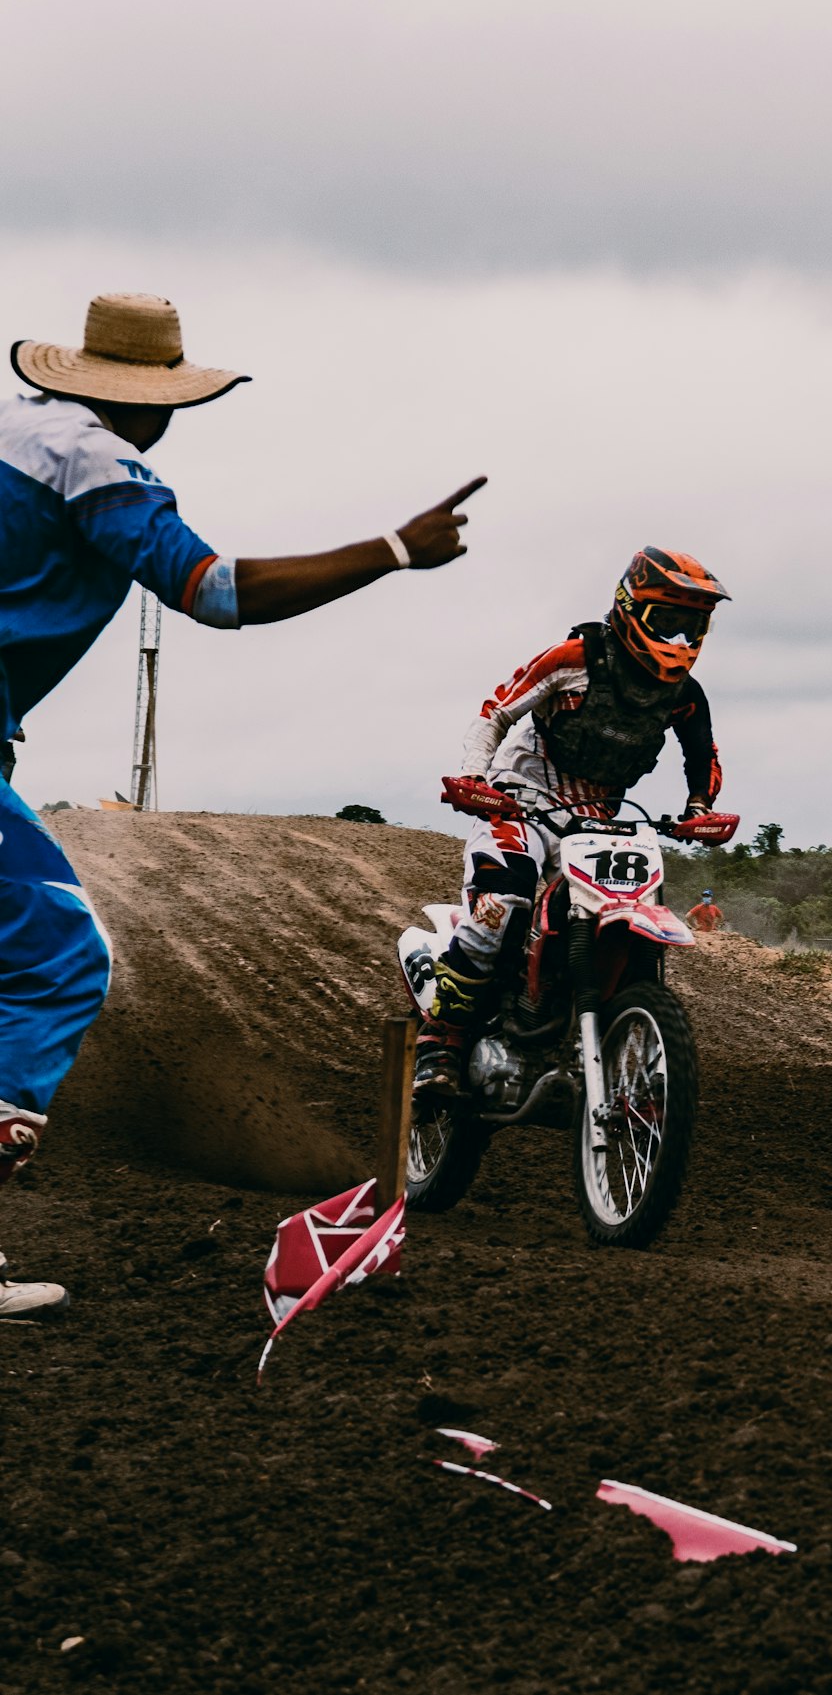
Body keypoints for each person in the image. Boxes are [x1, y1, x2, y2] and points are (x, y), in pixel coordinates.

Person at [0, 290, 486, 1319]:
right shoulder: (101, 467)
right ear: (162, 402)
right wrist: (395, 550)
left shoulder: (13, 434)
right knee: (57, 959)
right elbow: (218, 591)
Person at [413, 547, 730, 1093]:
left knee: (629, 901)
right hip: (522, 798)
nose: (680, 641)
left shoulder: (684, 694)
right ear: (632, 608)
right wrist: (474, 779)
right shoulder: (572, 659)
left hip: (597, 818)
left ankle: (594, 1020)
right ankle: (440, 1044)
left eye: (692, 627)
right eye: (668, 623)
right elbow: (496, 714)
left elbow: (701, 756)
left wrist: (697, 809)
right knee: (505, 899)